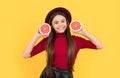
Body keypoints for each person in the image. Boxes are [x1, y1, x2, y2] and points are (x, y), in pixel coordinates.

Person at [23, 7, 104, 78]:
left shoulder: (76, 40)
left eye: (62, 21)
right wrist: (36, 36)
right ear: (51, 25)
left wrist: (84, 32)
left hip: (66, 75)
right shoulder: (47, 41)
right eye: (56, 22)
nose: (60, 24)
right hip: (48, 75)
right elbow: (26, 55)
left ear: (67, 22)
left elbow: (100, 45)